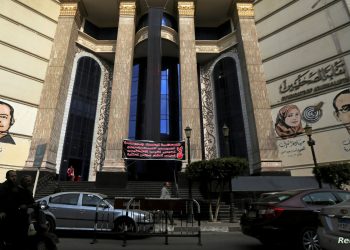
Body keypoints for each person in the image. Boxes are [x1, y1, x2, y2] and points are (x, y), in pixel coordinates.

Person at [0, 170, 18, 247]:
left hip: (14, 212)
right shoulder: (2, 186)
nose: (14, 178)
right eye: (12, 176)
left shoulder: (16, 186)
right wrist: (1, 211)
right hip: (5, 213)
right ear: (7, 177)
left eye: (15, 176)